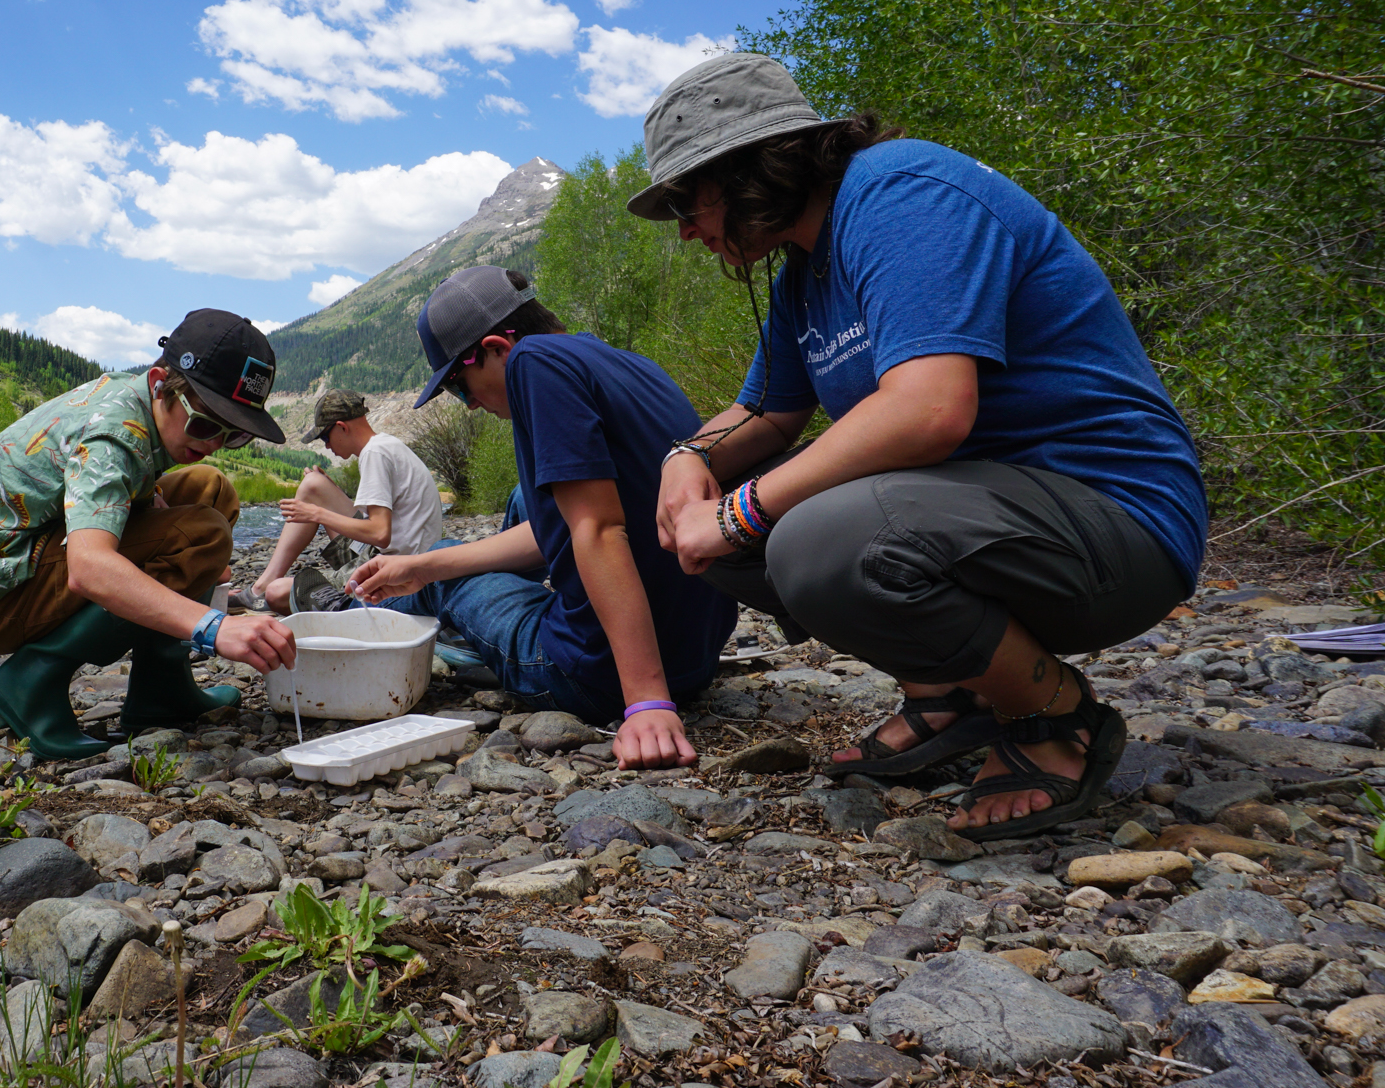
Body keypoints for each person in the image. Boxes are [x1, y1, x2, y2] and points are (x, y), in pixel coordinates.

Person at [632, 53, 1205, 839]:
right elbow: (763, 414)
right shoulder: (804, 267)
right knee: (723, 520)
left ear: (750, 166)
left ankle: (1055, 714)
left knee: (802, 536)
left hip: (1117, 521)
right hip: (993, 512)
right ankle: (951, 696)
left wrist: (738, 514)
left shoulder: (900, 194)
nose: (687, 231)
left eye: (687, 201)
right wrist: (684, 460)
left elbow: (930, 409)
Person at [346, 266, 737, 770]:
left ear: (496, 348)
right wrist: (421, 564)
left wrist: (647, 705)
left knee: (441, 575)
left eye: (461, 388)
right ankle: (443, 610)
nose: (468, 406)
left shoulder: (533, 363)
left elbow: (597, 528)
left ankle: (353, 624)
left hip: (594, 675)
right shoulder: (624, 360)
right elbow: (577, 522)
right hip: (695, 658)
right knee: (509, 508)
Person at [0, 309, 298, 760]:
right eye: (205, 424)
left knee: (210, 490)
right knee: (200, 535)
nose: (212, 444)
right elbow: (89, 570)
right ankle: (31, 682)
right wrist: (212, 626)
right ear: (159, 384)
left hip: (23, 550)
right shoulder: (113, 434)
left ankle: (160, 690)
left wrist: (161, 520)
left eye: (233, 436)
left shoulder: (137, 403)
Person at [245, 389, 446, 614]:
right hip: (394, 563)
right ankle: (260, 587)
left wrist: (316, 513)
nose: (327, 446)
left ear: (342, 427)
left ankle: (345, 606)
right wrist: (327, 494)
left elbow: (380, 533)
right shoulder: (386, 445)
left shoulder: (374, 454)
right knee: (314, 485)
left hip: (397, 580)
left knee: (278, 592)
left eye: (325, 437)